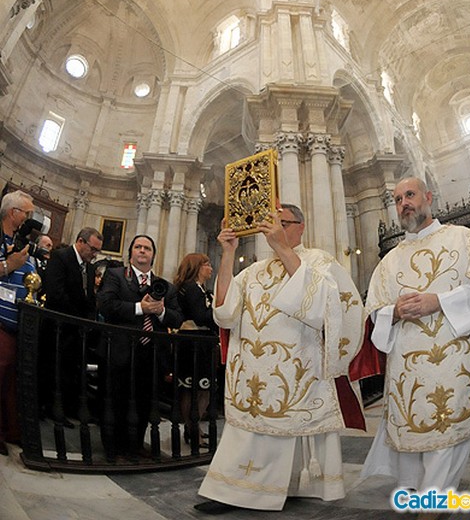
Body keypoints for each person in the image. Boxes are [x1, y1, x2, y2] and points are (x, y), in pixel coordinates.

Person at [196, 203, 365, 513]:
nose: (275, 230)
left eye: (283, 224)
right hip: (255, 377)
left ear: (301, 226)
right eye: (271, 225)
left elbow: (323, 310)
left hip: (300, 373)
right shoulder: (254, 271)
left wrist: (282, 249)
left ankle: (296, 485)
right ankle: (236, 491)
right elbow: (224, 313)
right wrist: (229, 253)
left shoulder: (320, 263)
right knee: (251, 430)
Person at [360, 177, 470, 495]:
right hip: (407, 369)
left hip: (454, 360)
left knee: (447, 429)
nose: (404, 203)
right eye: (398, 198)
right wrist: (395, 312)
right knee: (411, 434)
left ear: (428, 197)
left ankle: (433, 502)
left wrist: (438, 301)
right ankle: (416, 493)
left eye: (410, 194)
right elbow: (374, 312)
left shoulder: (463, 239)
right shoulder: (388, 262)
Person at [96, 234, 183, 457]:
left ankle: (134, 446)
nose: (142, 251)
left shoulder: (165, 287)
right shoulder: (115, 276)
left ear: (153, 255)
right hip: (120, 351)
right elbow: (106, 305)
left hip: (151, 354)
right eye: (138, 247)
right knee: (116, 399)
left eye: (147, 248)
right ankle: (113, 448)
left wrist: (161, 311)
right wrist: (140, 308)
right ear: (131, 252)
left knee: (144, 402)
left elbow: (177, 318)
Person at [42, 227, 103, 421]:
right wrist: (78, 317)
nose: (94, 255)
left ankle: (67, 410)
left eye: (97, 251)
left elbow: (90, 297)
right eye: (93, 249)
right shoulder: (61, 257)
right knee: (55, 369)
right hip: (59, 326)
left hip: (78, 331)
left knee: (71, 371)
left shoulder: (91, 267)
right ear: (81, 242)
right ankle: (49, 408)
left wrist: (90, 318)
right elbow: (56, 293)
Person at [0, 189, 36, 455]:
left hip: (17, 324)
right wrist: (8, 266)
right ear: (13, 213)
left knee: (11, 381)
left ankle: (10, 430)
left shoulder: (19, 240)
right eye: (27, 213)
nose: (29, 219)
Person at [173, 253, 216, 447]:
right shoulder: (192, 289)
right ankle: (192, 431)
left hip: (198, 343)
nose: (210, 268)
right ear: (197, 267)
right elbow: (200, 316)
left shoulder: (197, 289)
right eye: (207, 264)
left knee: (199, 389)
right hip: (194, 344)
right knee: (195, 389)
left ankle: (194, 428)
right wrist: (217, 309)